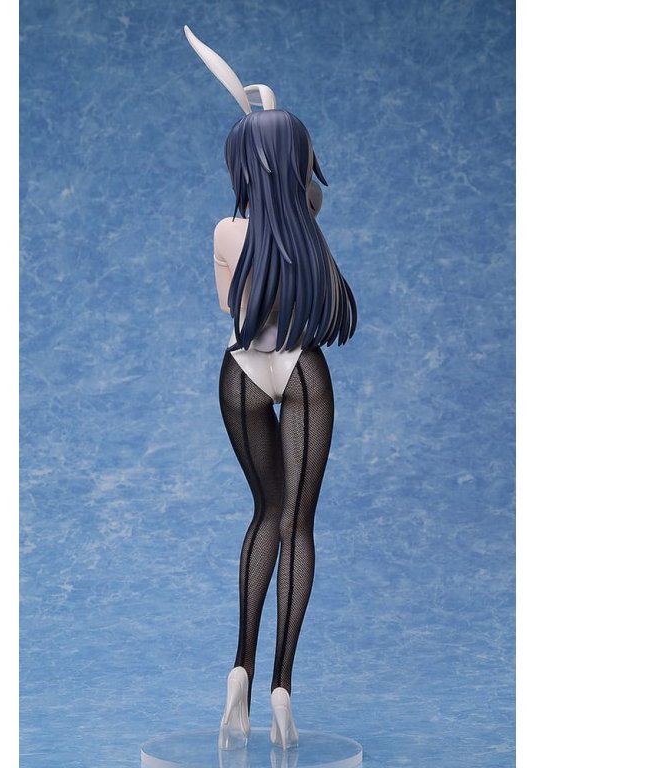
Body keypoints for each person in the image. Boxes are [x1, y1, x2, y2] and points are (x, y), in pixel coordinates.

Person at [212, 107, 357, 751]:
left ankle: (239, 670)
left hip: (243, 370)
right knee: (298, 523)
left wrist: (261, 138)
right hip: (300, 368)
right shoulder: (308, 227)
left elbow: (228, 305)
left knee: (265, 512)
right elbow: (310, 197)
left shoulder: (227, 232)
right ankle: (281, 687)